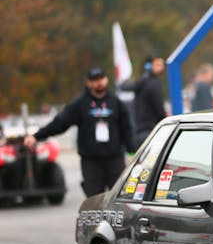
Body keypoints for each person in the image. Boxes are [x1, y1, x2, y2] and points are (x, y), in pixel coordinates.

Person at [25, 67, 134, 197]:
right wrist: (37, 136)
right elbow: (60, 123)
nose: (99, 82)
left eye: (101, 78)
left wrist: (132, 152)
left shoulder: (116, 103)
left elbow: (127, 130)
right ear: (88, 83)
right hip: (91, 162)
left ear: (106, 79)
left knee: (119, 198)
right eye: (95, 80)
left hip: (115, 160)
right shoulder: (80, 104)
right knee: (94, 201)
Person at [126, 54, 166, 148]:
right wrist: (165, 120)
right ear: (149, 65)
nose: (162, 67)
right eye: (158, 64)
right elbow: (158, 108)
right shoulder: (153, 84)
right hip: (151, 130)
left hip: (140, 130)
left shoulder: (142, 81)